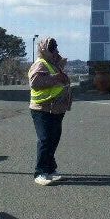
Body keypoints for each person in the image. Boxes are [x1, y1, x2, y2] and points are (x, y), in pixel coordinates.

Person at [28, 37, 72, 186]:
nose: (56, 51)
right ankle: (40, 172)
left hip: (56, 108)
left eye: (56, 48)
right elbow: (35, 82)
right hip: (42, 108)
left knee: (53, 139)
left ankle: (50, 169)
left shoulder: (53, 64)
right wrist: (56, 77)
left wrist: (59, 66)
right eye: (52, 48)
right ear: (44, 50)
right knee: (45, 139)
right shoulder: (40, 64)